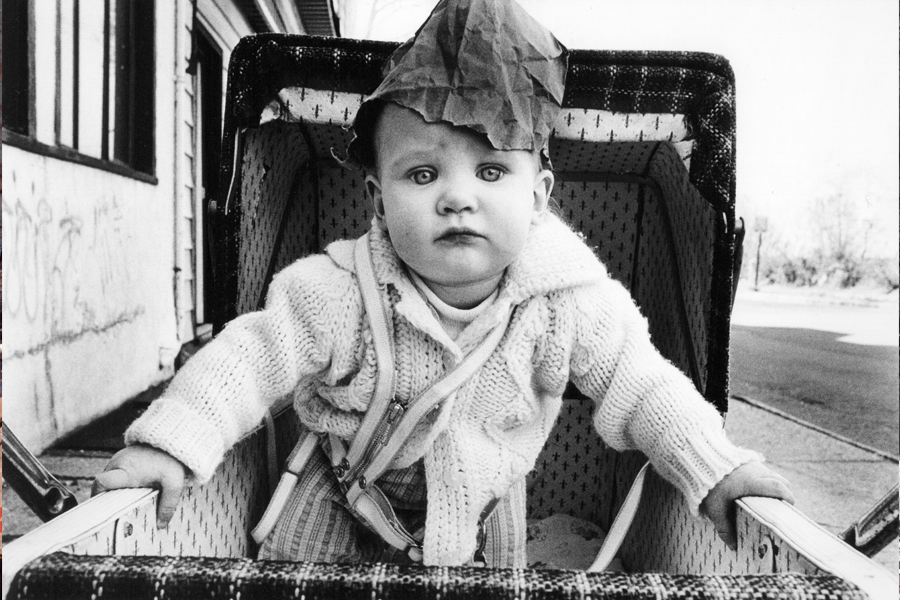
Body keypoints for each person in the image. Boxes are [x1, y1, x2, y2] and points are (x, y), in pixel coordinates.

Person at [93, 0, 793, 569]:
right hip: (339, 497)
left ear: (540, 197)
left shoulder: (569, 301)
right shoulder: (335, 291)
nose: (458, 198)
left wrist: (716, 469)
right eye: (422, 174)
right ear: (376, 199)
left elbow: (641, 383)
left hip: (484, 511)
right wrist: (170, 444)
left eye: (491, 172)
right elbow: (248, 358)